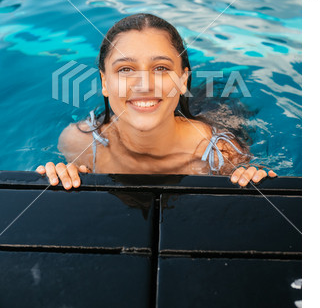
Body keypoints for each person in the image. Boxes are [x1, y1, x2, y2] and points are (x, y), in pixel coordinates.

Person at [36, 13, 277, 190]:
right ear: (104, 82)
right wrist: (63, 178)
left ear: (183, 79)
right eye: (125, 69)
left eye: (161, 68)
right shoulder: (79, 143)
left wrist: (251, 175)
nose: (144, 85)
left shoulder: (219, 153)